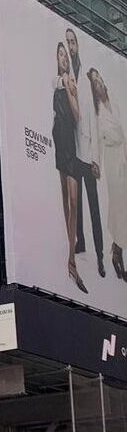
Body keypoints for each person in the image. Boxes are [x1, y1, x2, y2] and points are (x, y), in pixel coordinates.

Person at [66, 27, 104, 277]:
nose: (70, 45)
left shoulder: (86, 74)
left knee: (93, 206)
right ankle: (80, 242)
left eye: (73, 41)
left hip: (88, 153)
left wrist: (95, 160)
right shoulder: (68, 72)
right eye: (67, 42)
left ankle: (100, 255)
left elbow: (94, 122)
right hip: (73, 151)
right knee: (76, 201)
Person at [88, 68, 127, 281]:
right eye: (95, 82)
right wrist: (98, 165)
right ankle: (117, 254)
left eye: (99, 78)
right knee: (119, 207)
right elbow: (98, 141)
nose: (99, 83)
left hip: (124, 157)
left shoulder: (117, 104)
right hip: (112, 162)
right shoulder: (98, 113)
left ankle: (117, 251)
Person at [52, 43, 84, 293]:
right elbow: (56, 85)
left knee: (74, 201)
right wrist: (66, 84)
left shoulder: (71, 84)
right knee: (65, 199)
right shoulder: (57, 81)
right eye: (60, 55)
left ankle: (72, 258)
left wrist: (73, 92)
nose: (63, 58)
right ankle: (69, 254)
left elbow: (78, 116)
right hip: (59, 138)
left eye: (65, 55)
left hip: (71, 145)